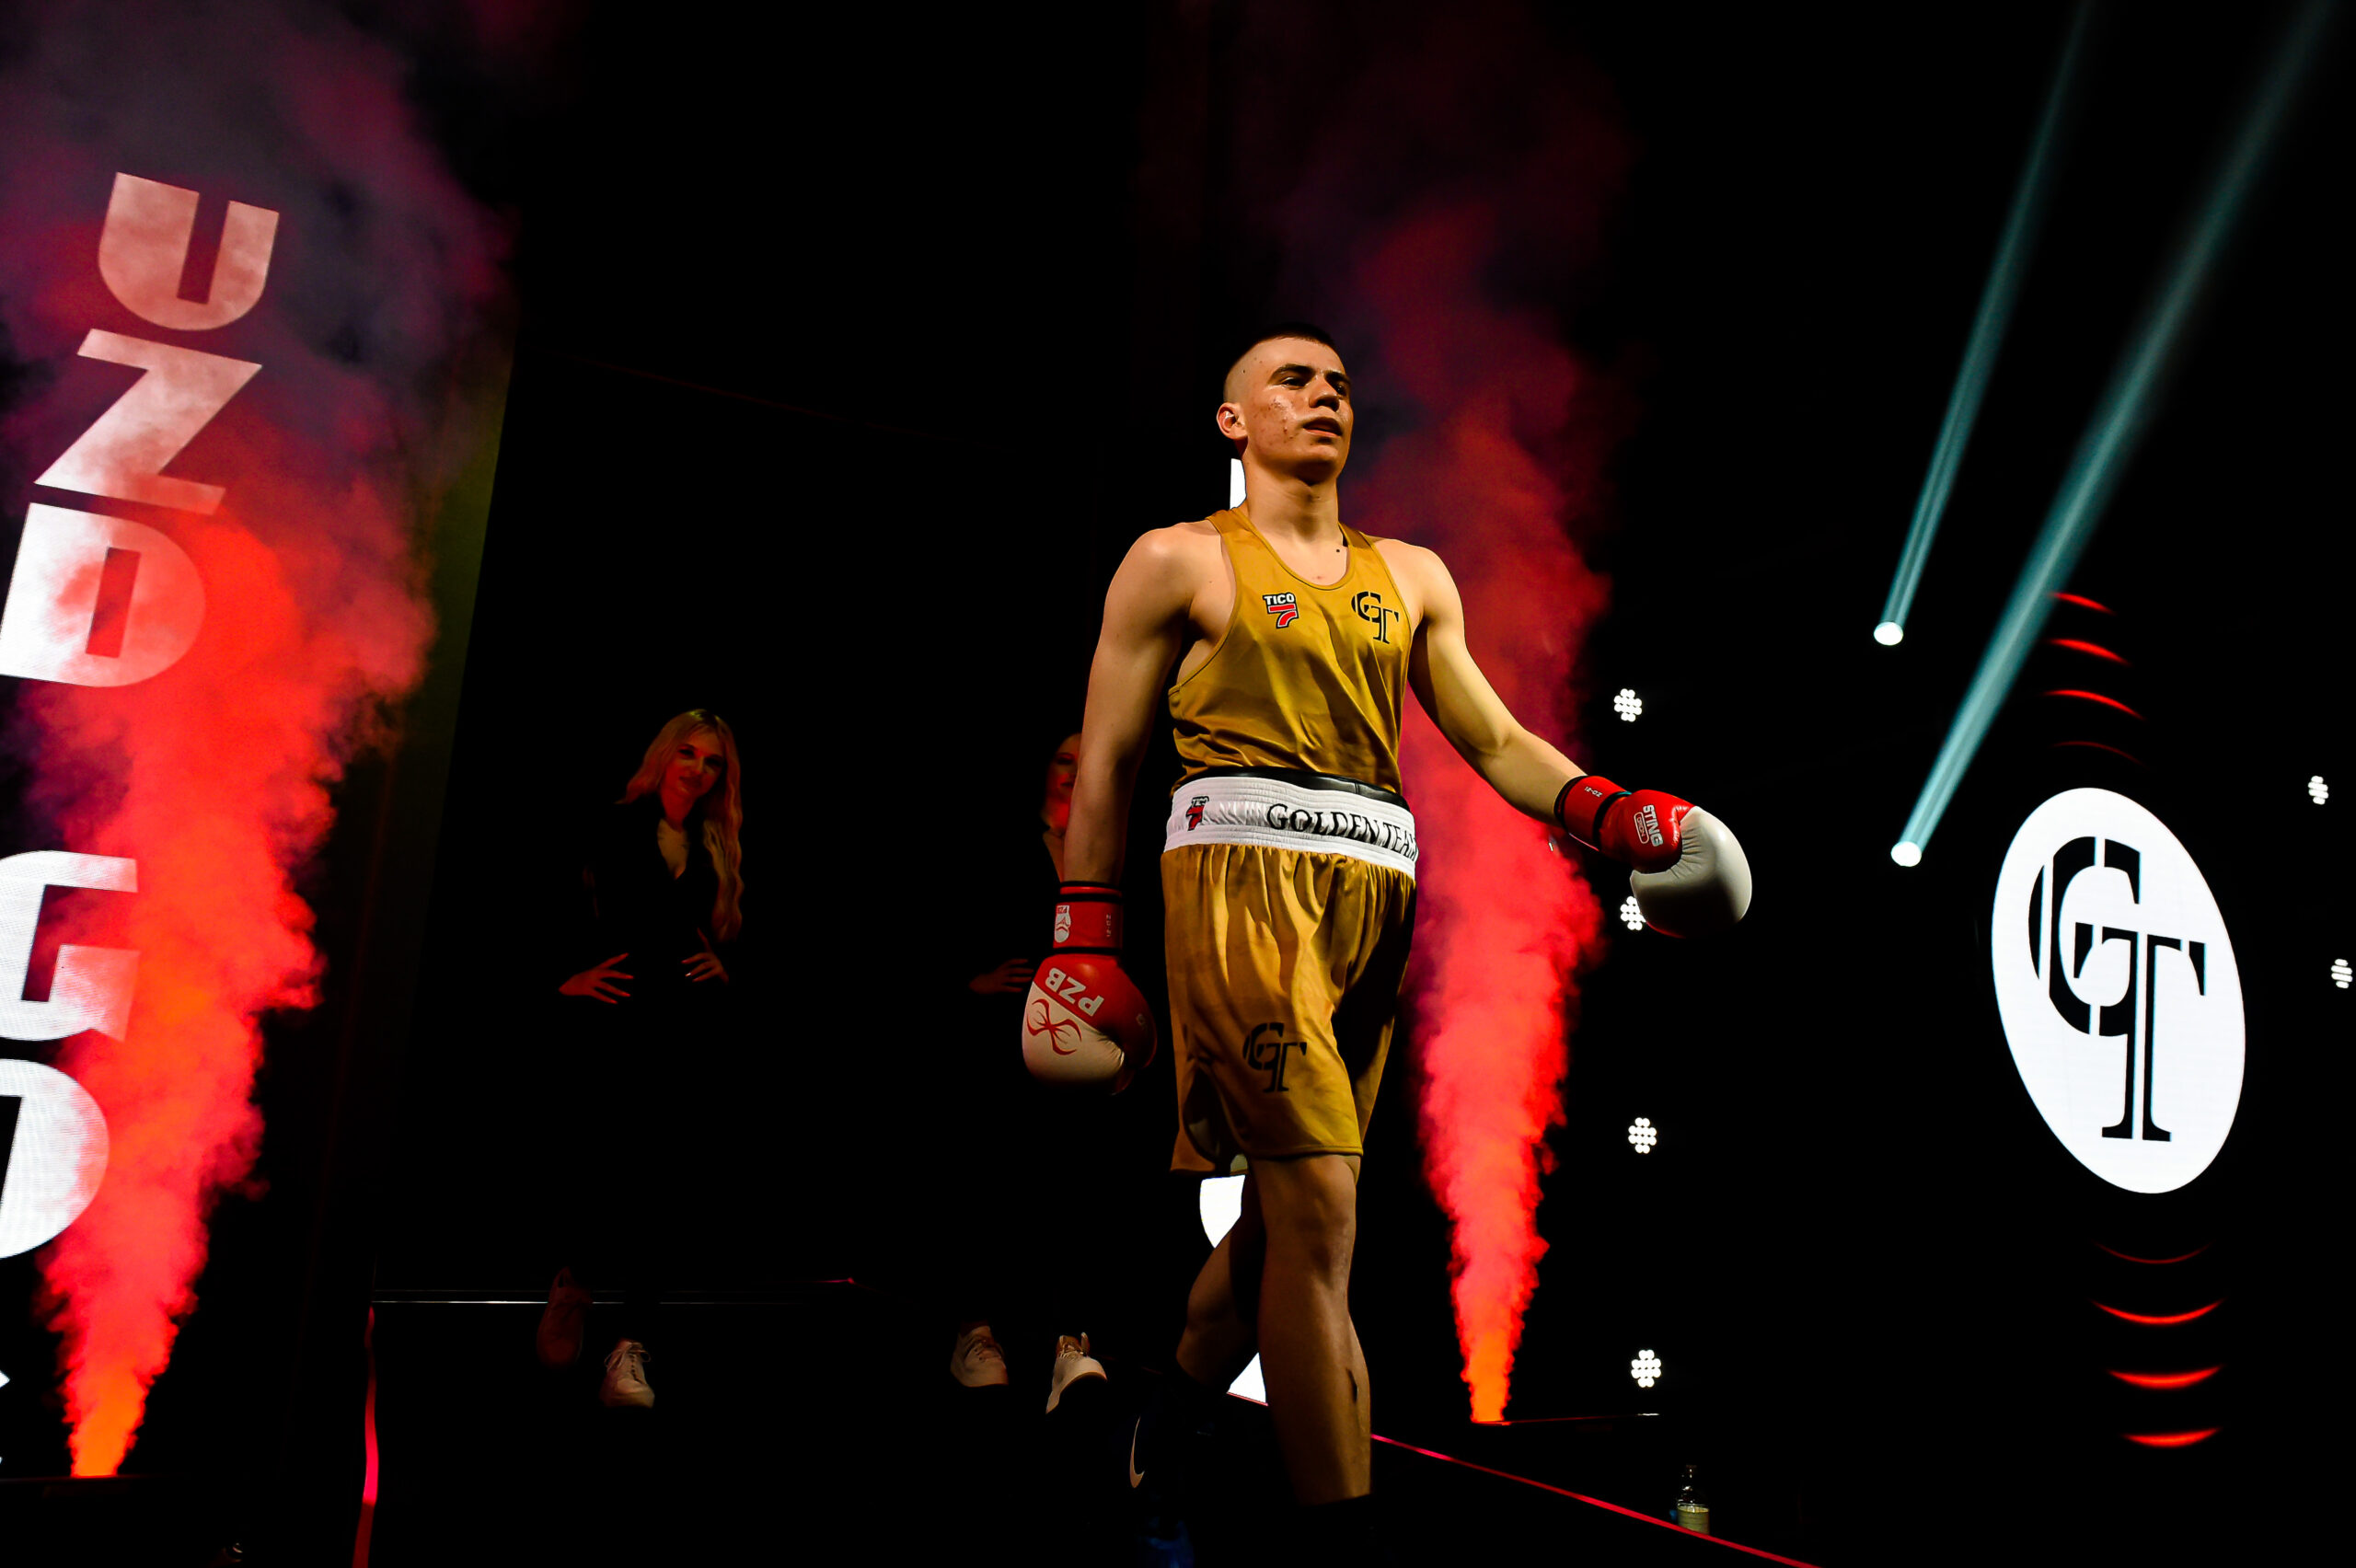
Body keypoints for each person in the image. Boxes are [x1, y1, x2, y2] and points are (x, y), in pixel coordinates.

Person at [1026, 325, 1751, 1550]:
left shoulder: (1409, 576)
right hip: (1240, 894)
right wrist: (1082, 935)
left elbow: (1495, 740)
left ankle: (1159, 1427)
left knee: (1285, 1226)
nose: (1323, 394)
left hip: (1371, 903)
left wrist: (1614, 813)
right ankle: (1342, 1560)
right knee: (1321, 1219)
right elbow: (1106, 760)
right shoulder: (1176, 560)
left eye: (1339, 383)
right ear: (1233, 421)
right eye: (1292, 380)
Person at [536, 709, 746, 1410]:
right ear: (664, 756)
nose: (697, 769)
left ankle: (630, 1347)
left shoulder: (715, 841)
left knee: (661, 1186)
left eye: (711, 762)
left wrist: (726, 968)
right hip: (616, 1023)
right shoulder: (614, 825)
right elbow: (554, 901)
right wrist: (564, 978)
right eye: (687, 753)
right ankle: (573, 1286)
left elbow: (728, 928)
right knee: (601, 1169)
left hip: (684, 1031)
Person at [942, 730, 1114, 1418]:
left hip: (1080, 1047)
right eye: (1064, 759)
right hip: (1007, 1040)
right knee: (994, 1183)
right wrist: (974, 982)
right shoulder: (1006, 844)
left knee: (1073, 1190)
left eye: (1085, 760)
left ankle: (1069, 1342)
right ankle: (975, 1331)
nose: (1074, 771)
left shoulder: (1102, 850)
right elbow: (952, 917)